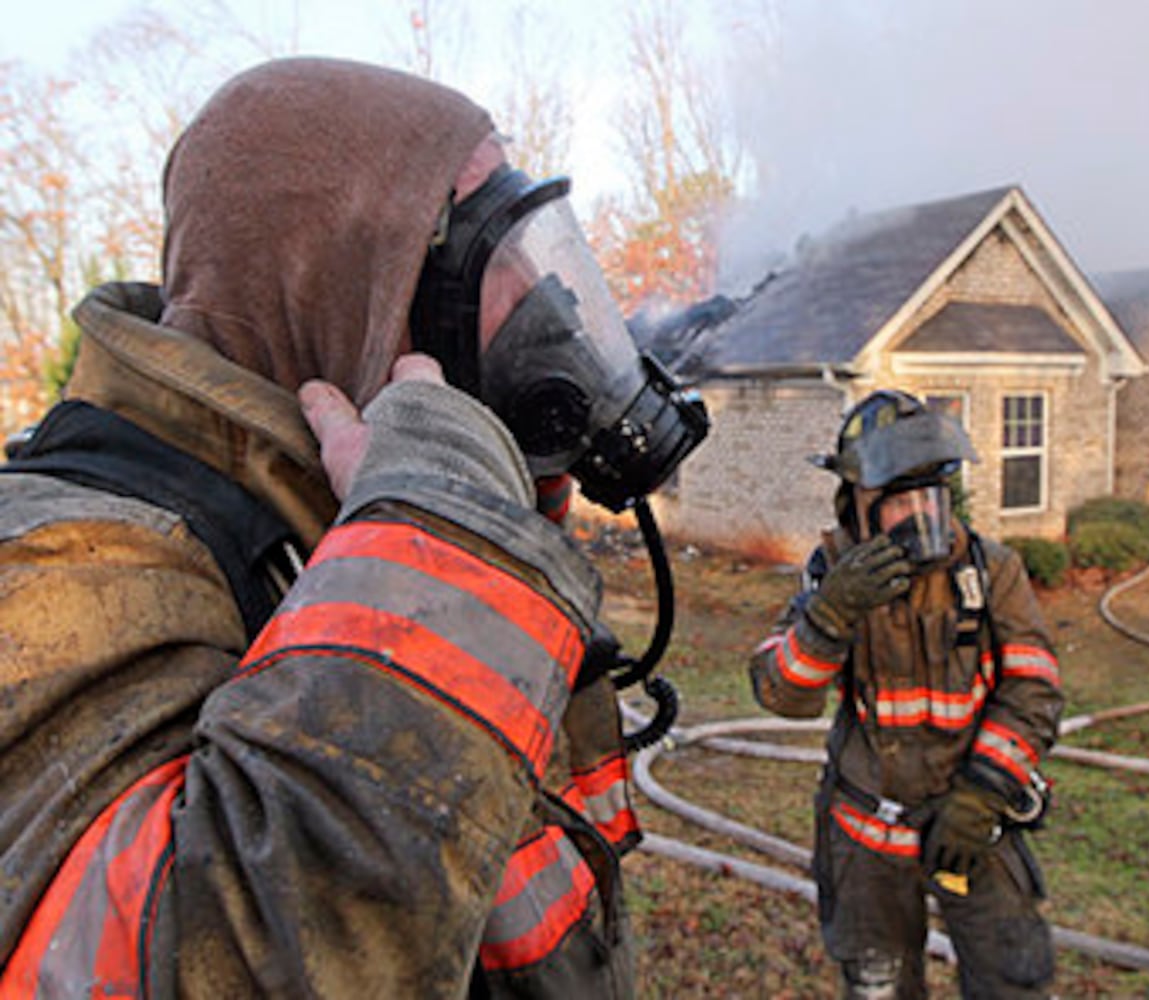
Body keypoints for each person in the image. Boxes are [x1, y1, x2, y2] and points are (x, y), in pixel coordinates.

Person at [0, 57, 705, 996]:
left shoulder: (352, 514)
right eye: (504, 250)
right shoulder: (59, 566)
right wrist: (439, 540)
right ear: (347, 283)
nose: (551, 300)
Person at [748, 390, 1064, 998]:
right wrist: (829, 616)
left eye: (932, 495)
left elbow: (1034, 687)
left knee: (1012, 979)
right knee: (879, 987)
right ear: (857, 507)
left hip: (973, 825)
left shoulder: (989, 572)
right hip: (869, 838)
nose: (922, 516)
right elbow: (781, 692)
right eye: (900, 501)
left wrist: (980, 797)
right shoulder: (833, 580)